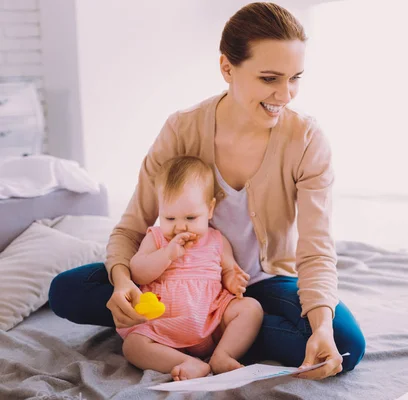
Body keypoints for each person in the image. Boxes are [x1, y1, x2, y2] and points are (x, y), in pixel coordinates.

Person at [49, 2, 365, 380]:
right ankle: (198, 330)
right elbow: (130, 230)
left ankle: (196, 334)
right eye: (270, 79)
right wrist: (122, 284)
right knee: (65, 291)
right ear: (227, 68)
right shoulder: (182, 129)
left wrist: (322, 330)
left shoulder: (307, 141)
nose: (286, 94)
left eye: (295, 77)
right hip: (170, 282)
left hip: (258, 284)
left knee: (345, 345)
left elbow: (315, 252)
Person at [117, 156, 262, 380]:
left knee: (251, 309)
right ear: (160, 211)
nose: (180, 226)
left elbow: (228, 270)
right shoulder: (156, 238)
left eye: (191, 217)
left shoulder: (216, 239)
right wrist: (167, 254)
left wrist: (233, 279)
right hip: (163, 324)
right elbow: (137, 271)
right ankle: (188, 363)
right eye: (170, 217)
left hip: (210, 320)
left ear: (210, 209)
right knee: (133, 346)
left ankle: (222, 355)